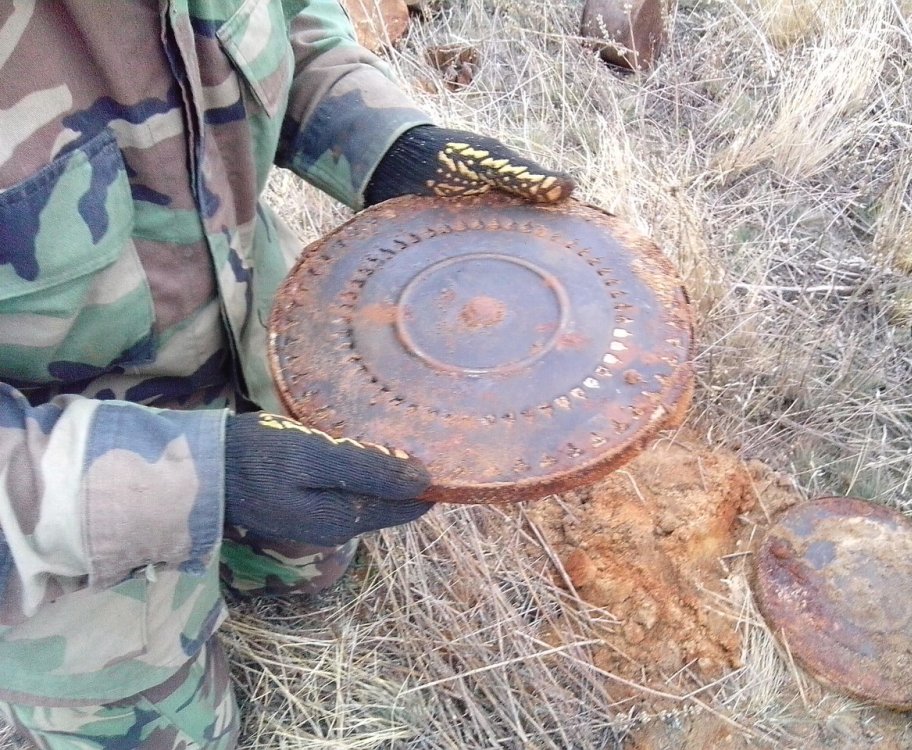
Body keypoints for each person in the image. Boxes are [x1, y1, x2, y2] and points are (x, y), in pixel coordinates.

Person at [0, 2, 574, 748]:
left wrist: (384, 144)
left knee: (308, 570)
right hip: (59, 523)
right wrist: (199, 481)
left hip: (270, 361)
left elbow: (288, 27)